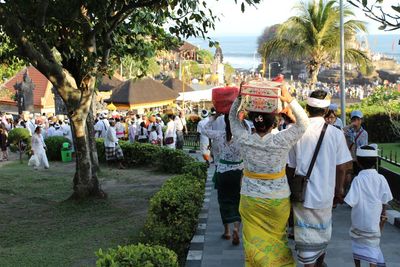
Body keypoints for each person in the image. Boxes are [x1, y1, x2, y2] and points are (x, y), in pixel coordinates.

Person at [230, 85, 309, 267]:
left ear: (253, 123)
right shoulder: (281, 140)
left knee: (253, 242)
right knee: (277, 240)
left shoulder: (244, 139)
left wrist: (239, 98)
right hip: (277, 199)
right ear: (274, 124)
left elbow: (232, 119)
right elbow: (303, 123)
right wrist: (289, 99)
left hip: (251, 199)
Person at [287, 90, 352, 267]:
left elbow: (290, 167)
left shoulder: (295, 132)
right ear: (326, 111)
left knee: (306, 242)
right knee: (322, 237)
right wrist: (339, 191)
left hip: (302, 196)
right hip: (325, 196)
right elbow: (342, 168)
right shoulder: (336, 134)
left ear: (307, 108)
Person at [345, 144, 393, 267]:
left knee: (357, 246)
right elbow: (385, 200)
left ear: (359, 163)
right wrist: (383, 213)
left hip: (359, 223)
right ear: (375, 161)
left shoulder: (358, 180)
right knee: (373, 248)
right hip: (374, 223)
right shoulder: (381, 178)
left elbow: (351, 201)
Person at [203, 114, 243, 245]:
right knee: (238, 201)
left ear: (225, 122)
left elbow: (204, 129)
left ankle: (227, 231)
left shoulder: (219, 135)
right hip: (239, 173)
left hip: (223, 172)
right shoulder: (242, 136)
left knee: (224, 201)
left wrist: (214, 117)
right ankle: (236, 228)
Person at [344, 110, 368, 176]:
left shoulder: (364, 133)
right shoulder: (348, 131)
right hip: (349, 159)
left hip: (358, 161)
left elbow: (364, 147)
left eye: (358, 119)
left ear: (362, 120)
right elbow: (340, 131)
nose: (356, 121)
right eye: (354, 119)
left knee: (358, 176)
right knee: (348, 178)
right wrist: (350, 125)